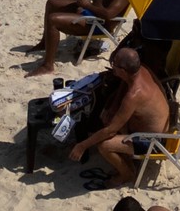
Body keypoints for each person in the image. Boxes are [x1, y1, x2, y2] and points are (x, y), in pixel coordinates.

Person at [70, 48, 172, 188]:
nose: (113, 68)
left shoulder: (134, 95)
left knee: (104, 145)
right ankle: (128, 164)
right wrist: (112, 108)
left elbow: (110, 131)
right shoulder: (141, 69)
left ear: (123, 70)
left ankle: (127, 175)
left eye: (114, 65)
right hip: (158, 125)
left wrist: (82, 146)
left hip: (154, 141)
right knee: (108, 120)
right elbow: (125, 83)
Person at [30, 0, 141, 77]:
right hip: (90, 12)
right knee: (52, 3)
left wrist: (87, 5)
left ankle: (48, 65)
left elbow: (109, 14)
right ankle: (45, 42)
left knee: (53, 20)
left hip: (97, 24)